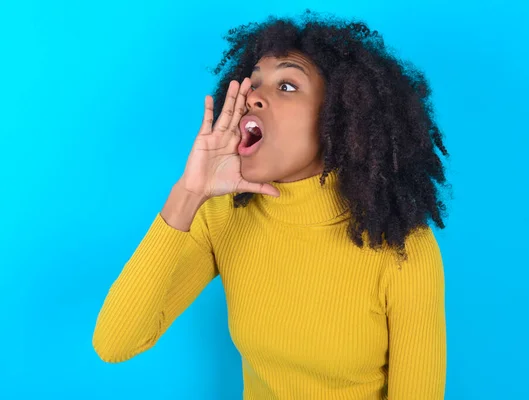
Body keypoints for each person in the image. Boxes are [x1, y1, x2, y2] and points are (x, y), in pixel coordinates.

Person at [92, 9, 452, 399]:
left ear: (339, 118)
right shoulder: (223, 216)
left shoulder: (402, 248)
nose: (254, 97)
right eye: (254, 82)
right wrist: (189, 193)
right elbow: (115, 343)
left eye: (287, 86)